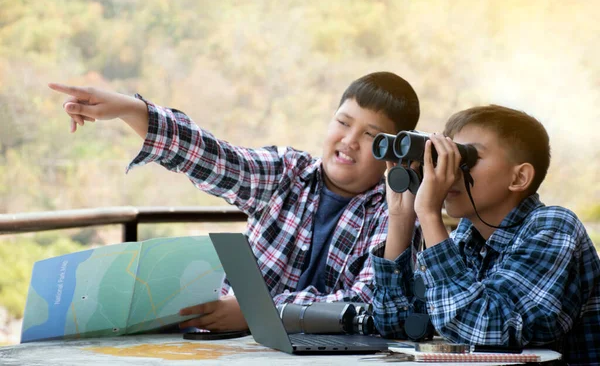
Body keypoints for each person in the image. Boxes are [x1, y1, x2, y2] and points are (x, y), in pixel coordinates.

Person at [50, 71, 420, 332]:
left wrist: (259, 312)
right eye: (343, 122)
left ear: (395, 152)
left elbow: (366, 302)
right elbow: (217, 160)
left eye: (371, 135)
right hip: (231, 345)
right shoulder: (286, 172)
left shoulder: (396, 212)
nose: (349, 140)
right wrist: (131, 109)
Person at [371, 104, 600, 364]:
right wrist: (401, 217)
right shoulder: (467, 237)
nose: (449, 170)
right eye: (444, 156)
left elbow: (484, 328)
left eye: (464, 158)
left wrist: (430, 214)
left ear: (519, 177)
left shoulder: (553, 227)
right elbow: (395, 322)